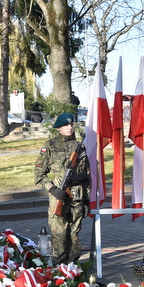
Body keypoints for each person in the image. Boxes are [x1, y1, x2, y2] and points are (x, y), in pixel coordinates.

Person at [34, 113, 90, 265]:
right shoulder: (50, 146)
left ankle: (72, 267)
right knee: (59, 234)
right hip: (58, 196)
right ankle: (59, 268)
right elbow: (39, 174)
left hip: (76, 198)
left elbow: (87, 175)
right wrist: (52, 189)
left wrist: (86, 200)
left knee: (74, 235)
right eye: (66, 125)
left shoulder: (80, 146)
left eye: (71, 124)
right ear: (59, 128)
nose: (70, 127)